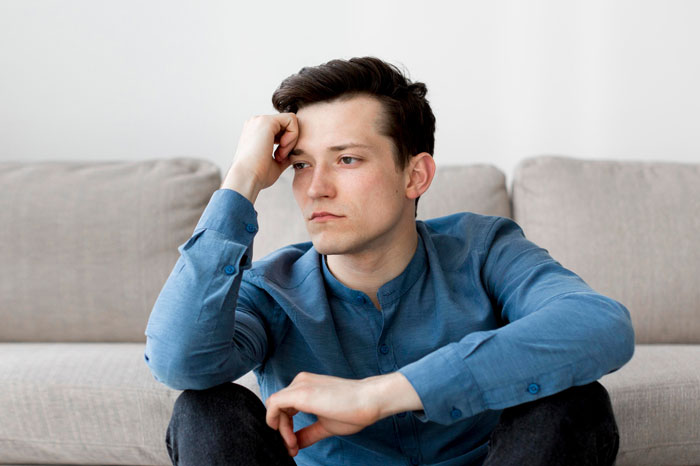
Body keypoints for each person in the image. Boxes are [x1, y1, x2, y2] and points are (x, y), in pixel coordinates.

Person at [144, 56, 635, 466]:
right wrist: (242, 178)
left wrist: (381, 394)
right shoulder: (272, 288)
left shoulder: (483, 249)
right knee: (204, 409)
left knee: (576, 403)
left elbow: (598, 324)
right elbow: (179, 362)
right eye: (301, 165)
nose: (316, 188)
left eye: (347, 159)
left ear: (415, 176)